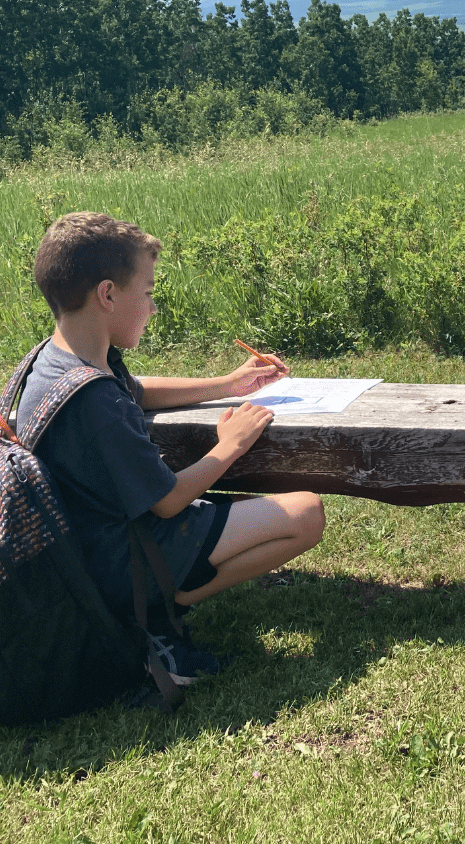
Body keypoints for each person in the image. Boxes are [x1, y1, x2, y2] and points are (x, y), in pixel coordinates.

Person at [15, 212, 325, 685]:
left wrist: (229, 382)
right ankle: (156, 613)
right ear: (108, 294)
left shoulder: (55, 361)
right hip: (127, 559)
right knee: (307, 513)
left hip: (90, 545)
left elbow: (138, 389)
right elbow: (168, 501)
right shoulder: (95, 403)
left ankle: (158, 603)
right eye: (149, 292)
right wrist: (231, 446)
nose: (153, 307)